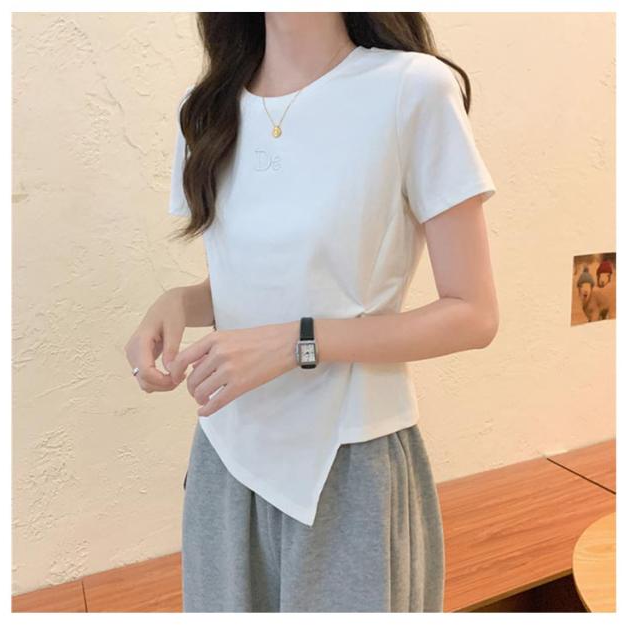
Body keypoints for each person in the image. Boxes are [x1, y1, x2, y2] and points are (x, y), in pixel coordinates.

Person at [124, 11, 499, 612]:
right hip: (224, 462)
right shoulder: (205, 110)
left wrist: (298, 343)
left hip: (349, 466)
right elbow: (270, 279)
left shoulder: (412, 89)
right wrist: (179, 301)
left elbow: (473, 314)